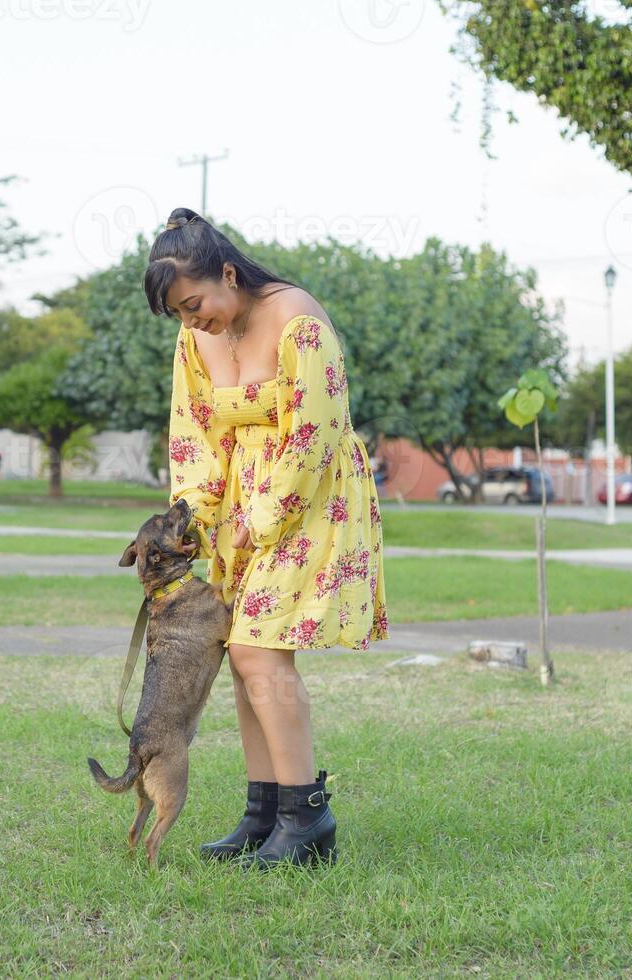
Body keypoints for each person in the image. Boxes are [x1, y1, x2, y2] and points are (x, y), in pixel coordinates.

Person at [144, 207, 389, 870]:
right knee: (246, 655)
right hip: (236, 507)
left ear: (228, 273)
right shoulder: (194, 339)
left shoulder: (296, 317)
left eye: (197, 305)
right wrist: (190, 522)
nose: (195, 324)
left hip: (305, 497)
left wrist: (264, 518)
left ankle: (307, 822)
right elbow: (191, 430)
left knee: (258, 652)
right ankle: (264, 815)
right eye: (182, 316)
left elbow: (317, 429)